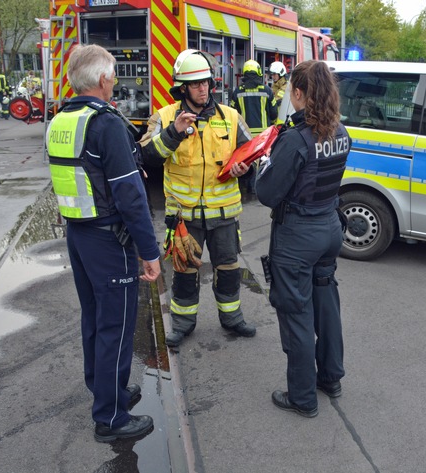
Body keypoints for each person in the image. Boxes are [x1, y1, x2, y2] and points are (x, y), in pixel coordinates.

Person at [45, 44, 161, 442]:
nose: (114, 81)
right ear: (103, 80)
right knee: (116, 326)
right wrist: (149, 252)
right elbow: (130, 195)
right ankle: (110, 417)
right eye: (112, 75)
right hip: (110, 241)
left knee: (95, 320)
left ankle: (105, 389)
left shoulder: (63, 119)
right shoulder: (107, 124)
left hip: (80, 235)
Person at [139, 49, 256, 349]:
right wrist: (174, 133)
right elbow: (145, 158)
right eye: (195, 84)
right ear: (182, 88)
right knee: (184, 273)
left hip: (224, 215)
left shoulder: (230, 117)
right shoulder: (164, 117)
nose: (203, 88)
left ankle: (232, 318)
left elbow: (250, 153)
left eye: (206, 82)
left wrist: (245, 168)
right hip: (184, 218)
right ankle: (182, 324)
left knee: (229, 271)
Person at [256, 60, 351, 418]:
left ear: (298, 94)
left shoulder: (295, 139)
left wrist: (264, 162)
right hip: (329, 229)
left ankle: (302, 397)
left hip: (297, 237)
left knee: (296, 313)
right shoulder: (340, 132)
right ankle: (331, 378)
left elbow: (267, 192)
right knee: (326, 306)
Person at [229, 59, 278, 193]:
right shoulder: (267, 91)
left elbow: (232, 114)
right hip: (264, 135)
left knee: (248, 162)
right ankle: (259, 188)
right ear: (258, 73)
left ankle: (249, 187)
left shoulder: (237, 92)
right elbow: (274, 113)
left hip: (246, 135)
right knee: (263, 161)